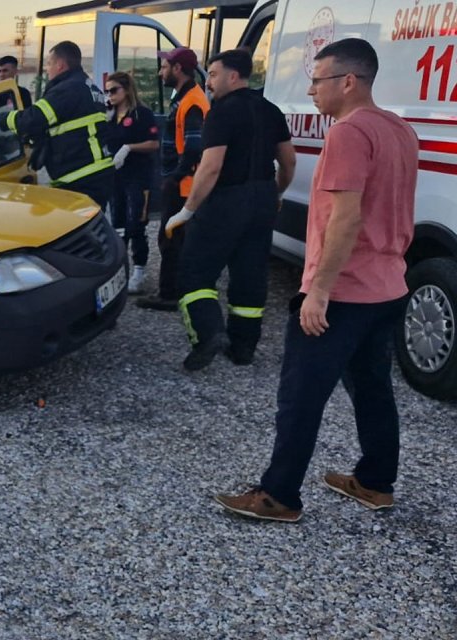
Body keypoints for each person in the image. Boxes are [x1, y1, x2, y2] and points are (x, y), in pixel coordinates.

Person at [215, 39, 418, 523]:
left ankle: (278, 495)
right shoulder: (398, 129)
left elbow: (346, 220)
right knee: (372, 388)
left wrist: (319, 290)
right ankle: (374, 482)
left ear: (348, 82)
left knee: (300, 396)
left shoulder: (348, 133)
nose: (310, 90)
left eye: (318, 79)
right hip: (387, 284)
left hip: (344, 290)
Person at [165, 49, 296, 370]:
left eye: (212, 74)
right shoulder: (270, 109)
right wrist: (274, 192)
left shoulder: (221, 112)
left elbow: (210, 167)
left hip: (225, 201)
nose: (208, 82)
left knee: (194, 271)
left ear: (233, 76)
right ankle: (243, 348)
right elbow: (289, 162)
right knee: (250, 274)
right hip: (263, 199)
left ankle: (208, 334)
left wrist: (187, 210)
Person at [0, 41, 115, 207]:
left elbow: (33, 119)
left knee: (73, 230)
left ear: (60, 65)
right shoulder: (88, 86)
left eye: (49, 63)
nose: (47, 68)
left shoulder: (67, 89)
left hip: (81, 176)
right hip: (94, 173)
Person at [136, 47, 210, 311]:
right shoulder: (186, 97)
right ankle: (175, 290)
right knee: (174, 238)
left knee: (171, 238)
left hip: (183, 185)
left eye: (165, 66)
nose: (160, 71)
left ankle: (169, 295)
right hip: (181, 181)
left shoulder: (191, 102)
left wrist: (174, 178)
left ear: (178, 68)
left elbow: (192, 147)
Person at [103, 71, 159, 294]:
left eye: (114, 90)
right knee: (117, 224)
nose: (111, 95)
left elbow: (153, 143)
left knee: (136, 222)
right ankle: (120, 267)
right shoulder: (111, 115)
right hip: (117, 177)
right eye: (108, 91)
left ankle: (139, 270)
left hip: (138, 175)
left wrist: (129, 148)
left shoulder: (141, 114)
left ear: (126, 90)